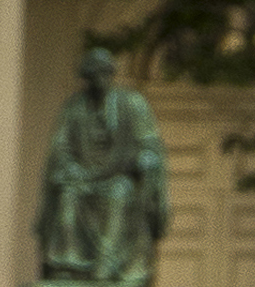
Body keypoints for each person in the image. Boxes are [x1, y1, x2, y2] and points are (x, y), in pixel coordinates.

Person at [36, 34, 172, 286]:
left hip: (119, 178)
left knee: (118, 194)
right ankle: (68, 266)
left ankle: (106, 268)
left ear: (110, 74)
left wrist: (146, 159)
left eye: (103, 73)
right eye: (91, 75)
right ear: (85, 78)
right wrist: (71, 169)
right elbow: (61, 146)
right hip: (82, 177)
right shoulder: (74, 106)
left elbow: (149, 144)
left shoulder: (132, 103)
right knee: (68, 196)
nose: (98, 80)